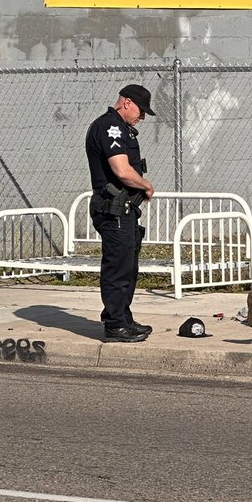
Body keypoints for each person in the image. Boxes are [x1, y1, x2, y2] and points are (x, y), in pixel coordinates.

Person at [85, 84, 156, 342]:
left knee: (127, 265)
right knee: (117, 267)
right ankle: (115, 325)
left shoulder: (122, 128)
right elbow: (122, 170)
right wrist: (147, 186)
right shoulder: (110, 127)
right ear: (126, 102)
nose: (143, 117)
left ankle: (122, 316)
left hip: (124, 210)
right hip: (112, 209)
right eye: (141, 110)